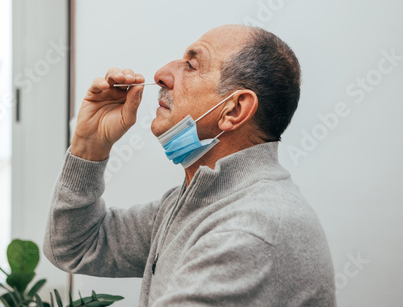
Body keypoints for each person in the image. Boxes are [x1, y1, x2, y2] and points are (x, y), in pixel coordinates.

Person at [43, 24, 336, 306]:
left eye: (191, 66)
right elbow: (75, 246)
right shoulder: (197, 202)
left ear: (234, 109)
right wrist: (89, 146)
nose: (161, 75)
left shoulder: (250, 230)